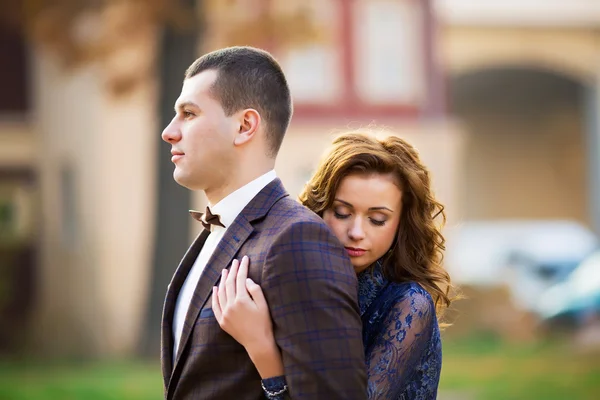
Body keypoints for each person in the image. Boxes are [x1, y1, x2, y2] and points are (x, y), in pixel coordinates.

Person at [160, 46, 367, 400]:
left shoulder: (296, 239)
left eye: (189, 114)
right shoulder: (217, 232)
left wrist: (271, 370)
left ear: (244, 126)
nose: (169, 131)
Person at [213, 132, 455, 399]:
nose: (356, 232)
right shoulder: (304, 283)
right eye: (342, 213)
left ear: (401, 224)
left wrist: (261, 347)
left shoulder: (410, 305)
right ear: (319, 209)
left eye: (377, 219)